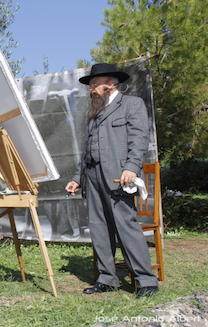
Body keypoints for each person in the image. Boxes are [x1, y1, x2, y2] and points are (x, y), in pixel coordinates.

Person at [65, 63, 159, 299]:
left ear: (111, 84)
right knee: (99, 228)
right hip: (93, 178)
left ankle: (146, 281)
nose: (92, 89)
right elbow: (87, 150)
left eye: (95, 84)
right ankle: (107, 279)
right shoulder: (93, 112)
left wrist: (131, 167)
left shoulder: (131, 104)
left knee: (125, 226)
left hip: (118, 177)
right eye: (91, 85)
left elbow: (139, 140)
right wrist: (78, 178)